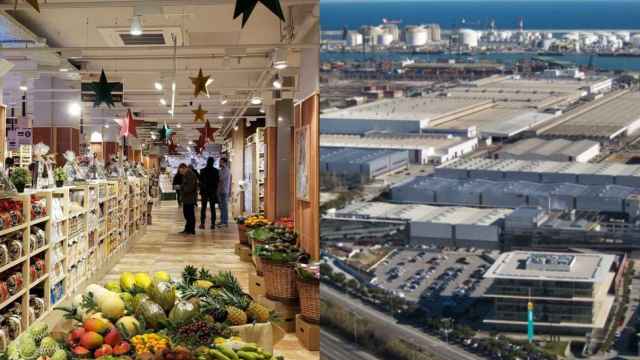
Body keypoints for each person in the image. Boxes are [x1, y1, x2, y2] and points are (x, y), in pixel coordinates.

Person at [198, 157, 219, 229]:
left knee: (203, 208)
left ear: (207, 162)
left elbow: (200, 182)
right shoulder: (216, 171)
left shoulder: (202, 170)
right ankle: (212, 224)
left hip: (204, 191)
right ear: (213, 162)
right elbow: (217, 182)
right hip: (212, 191)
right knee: (212, 208)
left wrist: (201, 190)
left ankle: (202, 224)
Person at [180, 164, 198, 235]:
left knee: (189, 214)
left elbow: (190, 187)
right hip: (187, 198)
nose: (180, 172)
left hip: (189, 198)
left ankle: (191, 230)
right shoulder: (187, 174)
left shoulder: (190, 174)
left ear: (183, 168)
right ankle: (188, 229)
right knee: (187, 214)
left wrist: (182, 189)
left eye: (180, 170)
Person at [217, 157, 231, 227]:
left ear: (225, 163)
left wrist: (217, 175)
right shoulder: (221, 170)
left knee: (224, 207)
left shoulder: (226, 170)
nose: (219, 163)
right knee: (221, 207)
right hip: (220, 190)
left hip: (224, 191)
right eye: (220, 161)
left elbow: (220, 178)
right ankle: (222, 220)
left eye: (221, 162)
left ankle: (225, 222)